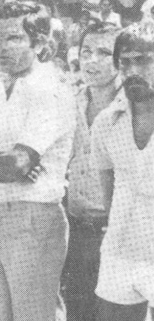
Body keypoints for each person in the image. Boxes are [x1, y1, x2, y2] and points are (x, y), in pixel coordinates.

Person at [0, 2, 76, 321]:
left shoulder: (49, 89)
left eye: (13, 38)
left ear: (40, 44)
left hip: (35, 216)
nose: (0, 46)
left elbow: (14, 165)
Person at [92, 20, 154, 321]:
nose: (132, 71)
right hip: (120, 255)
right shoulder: (106, 121)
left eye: (143, 61)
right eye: (125, 62)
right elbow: (108, 192)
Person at [62, 23, 121, 321]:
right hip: (75, 230)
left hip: (116, 234)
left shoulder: (134, 107)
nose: (92, 60)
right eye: (86, 52)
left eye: (103, 53)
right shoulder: (70, 101)